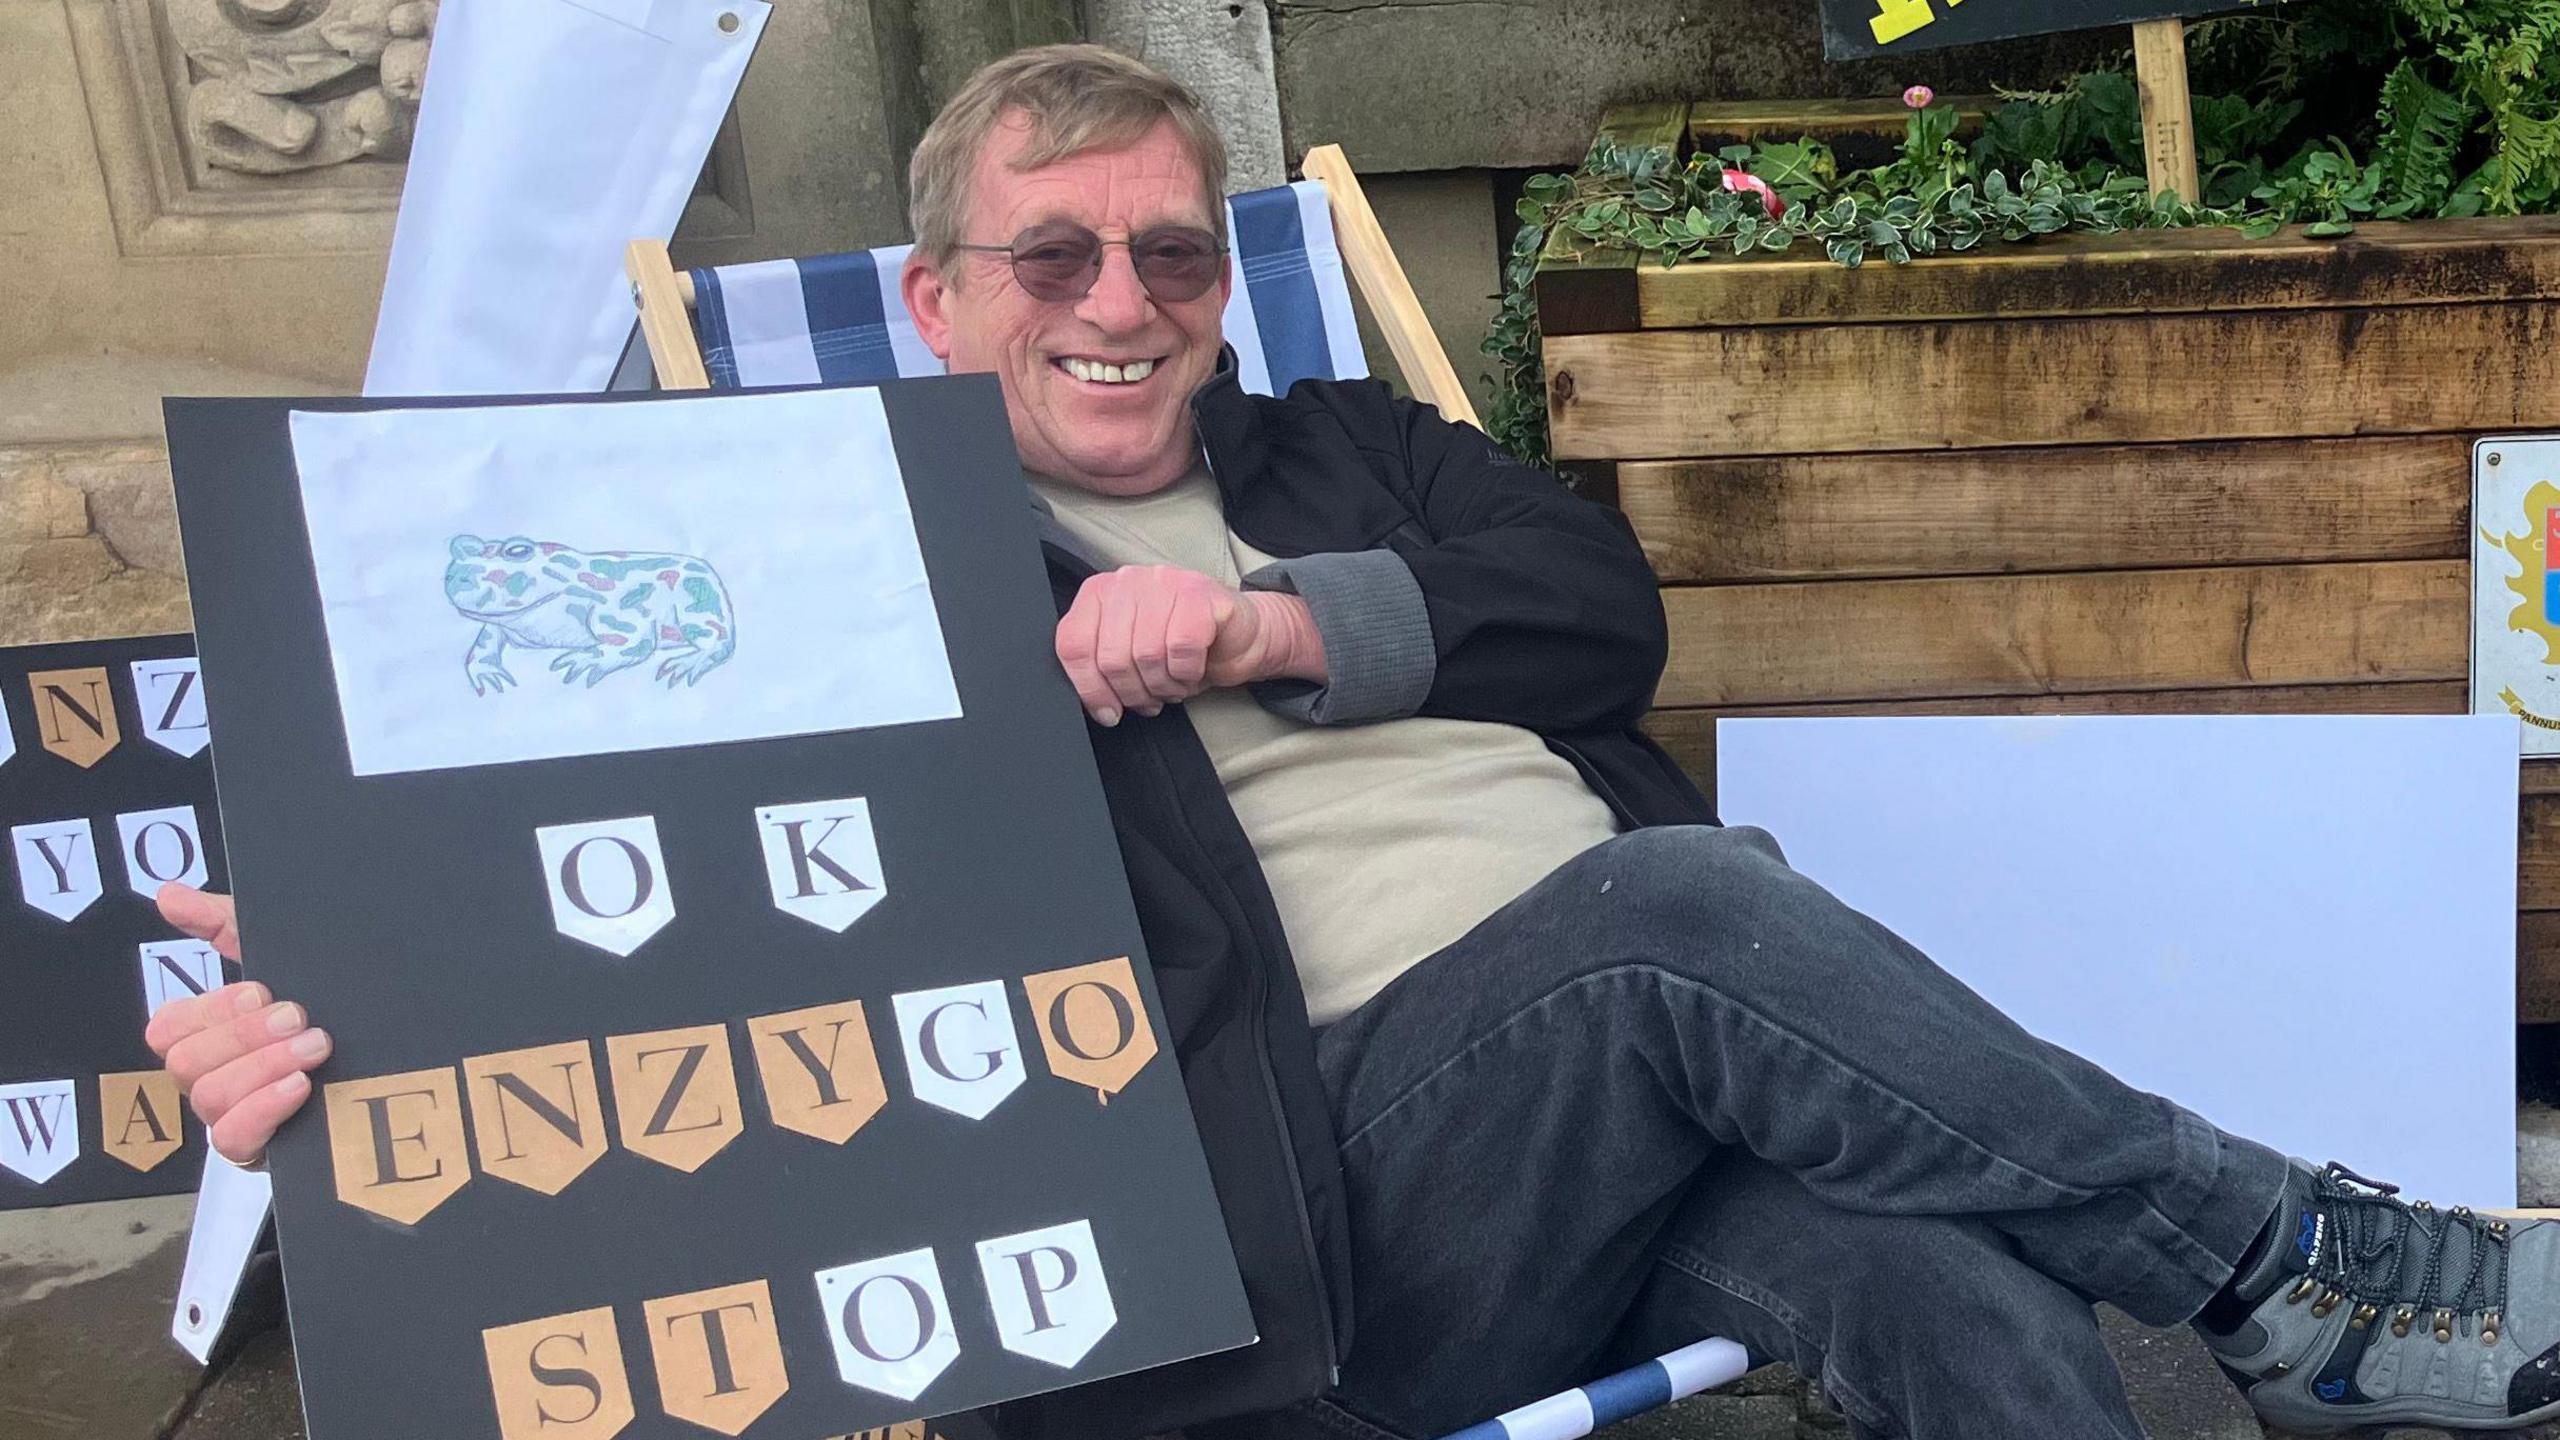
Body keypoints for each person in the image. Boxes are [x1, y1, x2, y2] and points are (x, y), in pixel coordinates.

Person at [144, 43, 2560, 1440]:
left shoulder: (1343, 451)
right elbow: (668, 901)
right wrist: (368, 1019)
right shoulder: (831, 583)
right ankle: (2293, 1267)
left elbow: (1595, 612)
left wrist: (1266, 623)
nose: (1119, 299)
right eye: (1051, 256)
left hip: (1630, 1125)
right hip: (1319, 1220)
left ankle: (2291, 1303)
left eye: (1168, 251)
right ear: (938, 300)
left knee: (1963, 1302)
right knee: (1668, 916)